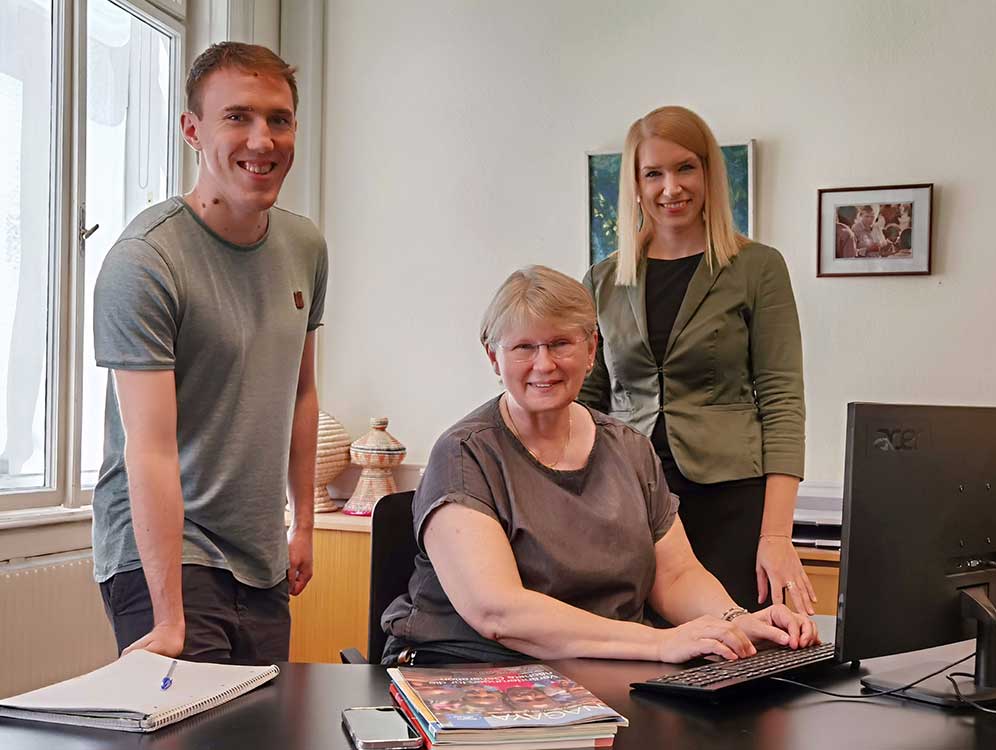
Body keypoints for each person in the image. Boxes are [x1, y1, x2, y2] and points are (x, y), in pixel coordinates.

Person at [380, 266, 817, 666]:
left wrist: (733, 620)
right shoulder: (463, 454)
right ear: (494, 358)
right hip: (471, 668)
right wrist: (661, 643)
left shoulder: (629, 448)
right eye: (524, 347)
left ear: (591, 350)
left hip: (597, 666)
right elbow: (499, 612)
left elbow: (676, 573)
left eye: (560, 344)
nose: (544, 364)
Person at [91, 42, 328, 662]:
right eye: (237, 117)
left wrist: (302, 524)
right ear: (192, 130)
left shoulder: (305, 245)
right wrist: (169, 616)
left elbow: (301, 393)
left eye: (279, 119)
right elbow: (148, 449)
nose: (263, 140)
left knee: (260, 729)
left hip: (260, 555)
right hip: (167, 551)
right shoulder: (146, 261)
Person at [578, 106, 813, 615]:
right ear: (635, 186)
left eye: (686, 167)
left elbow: (782, 401)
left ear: (709, 173)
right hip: (630, 501)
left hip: (731, 501)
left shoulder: (757, 267)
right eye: (653, 173)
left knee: (735, 658)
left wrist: (776, 535)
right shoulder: (601, 280)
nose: (671, 187)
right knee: (638, 659)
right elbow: (584, 402)